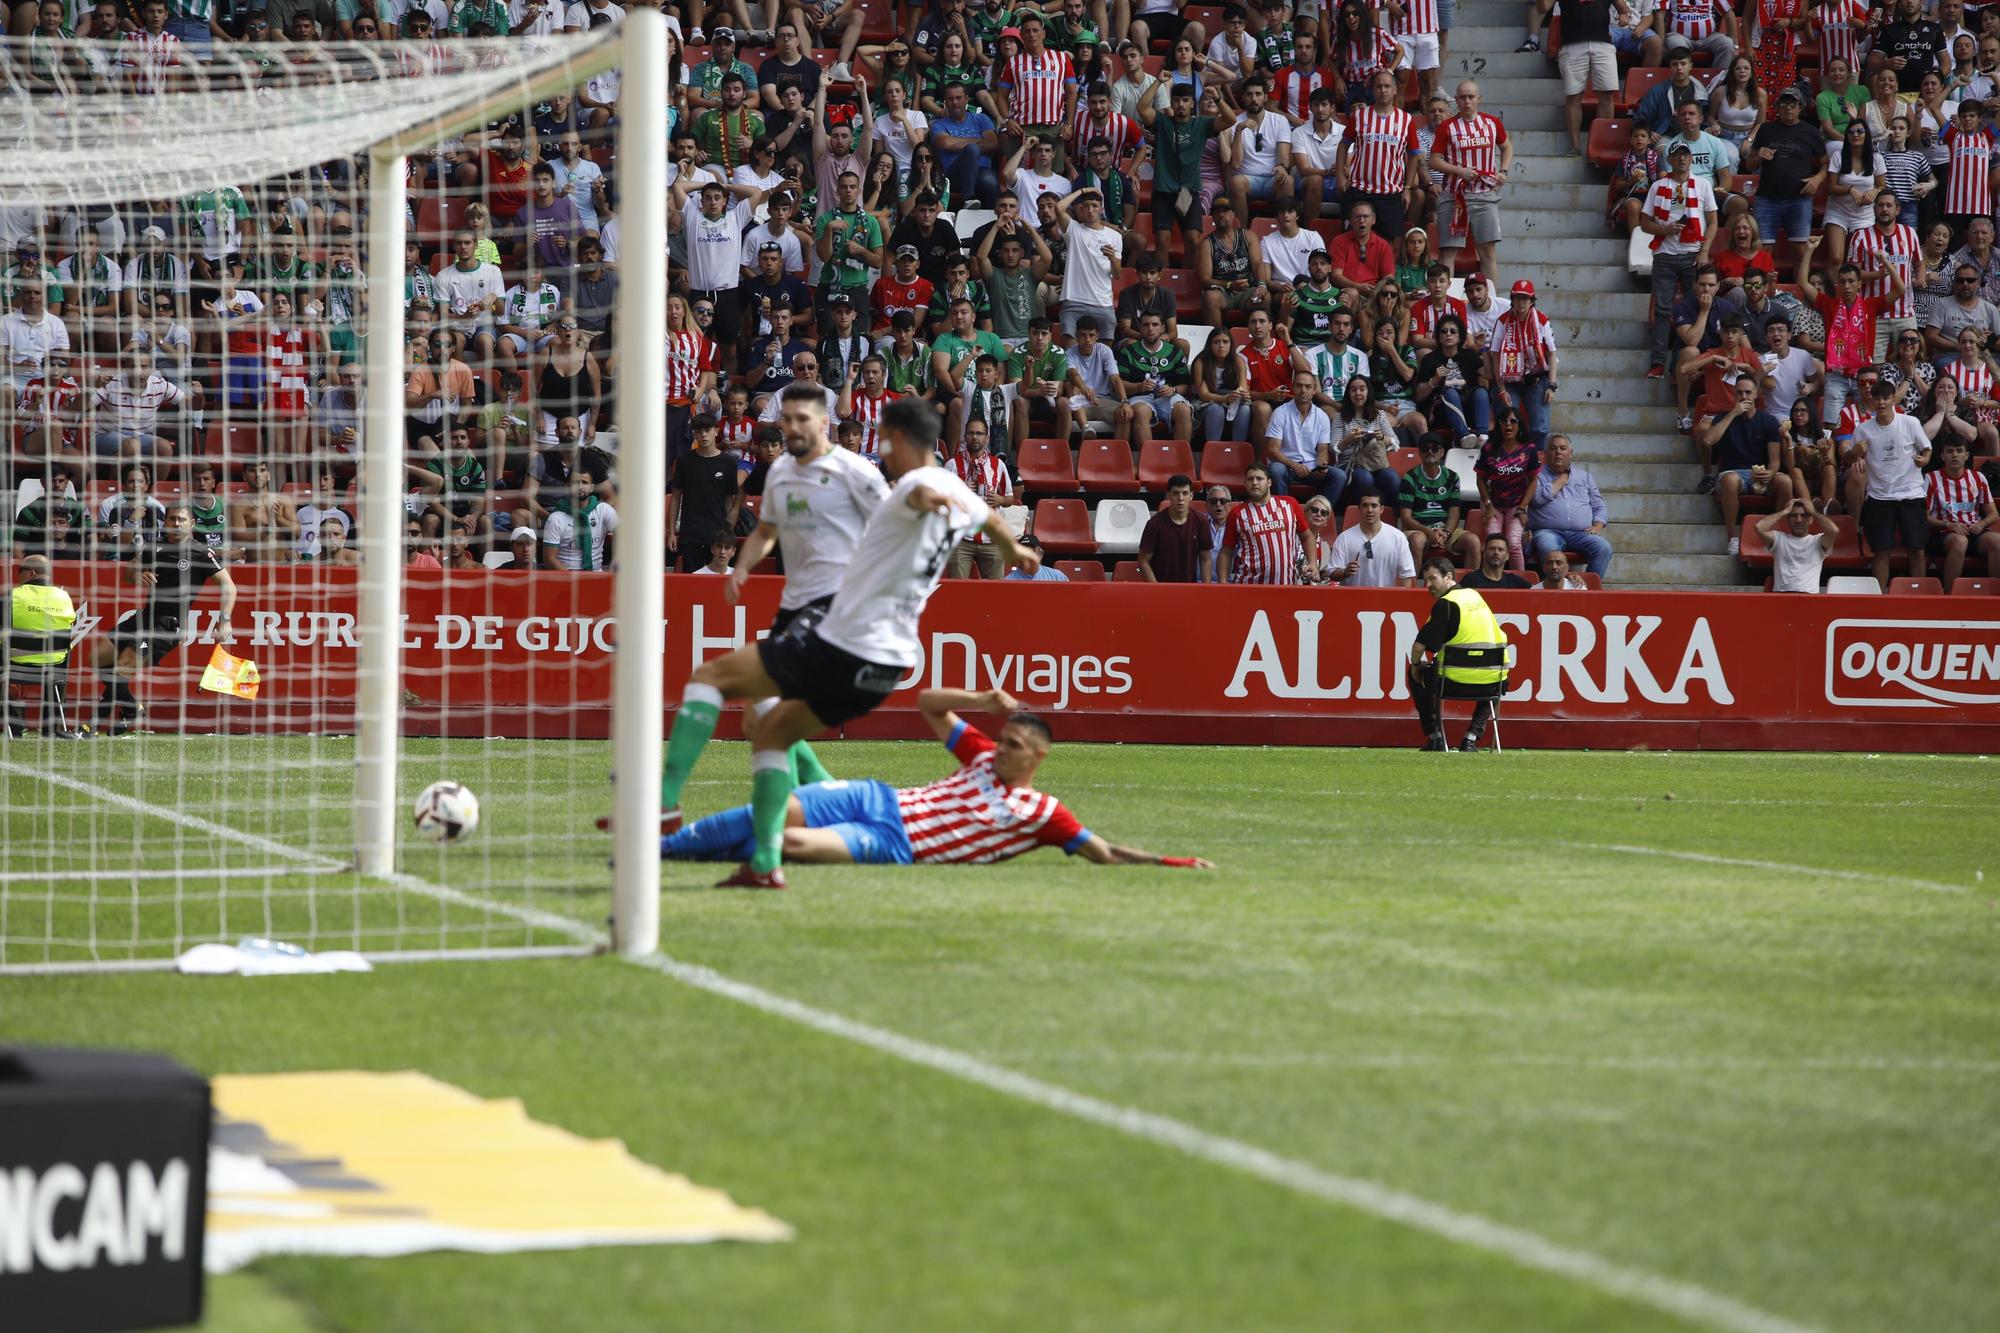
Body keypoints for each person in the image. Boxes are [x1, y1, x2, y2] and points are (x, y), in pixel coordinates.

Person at [664, 396, 1039, 888]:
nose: (880, 448)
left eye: (885, 439)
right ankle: (765, 865)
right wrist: (1013, 546)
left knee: (711, 679)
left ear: (900, 440)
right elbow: (986, 518)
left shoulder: (917, 484)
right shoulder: (956, 487)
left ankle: (664, 808)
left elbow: (919, 497)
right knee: (771, 731)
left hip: (845, 641)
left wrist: (928, 502)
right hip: (888, 665)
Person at [647, 381, 894, 837]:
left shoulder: (857, 474)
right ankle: (828, 801)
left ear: (825, 423)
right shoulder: (782, 474)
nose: (794, 427)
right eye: (787, 419)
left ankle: (663, 802)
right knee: (762, 715)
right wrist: (742, 565)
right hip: (795, 608)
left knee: (713, 680)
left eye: (803, 419)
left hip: (835, 609)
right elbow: (767, 531)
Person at [661, 689, 1210, 870]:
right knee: (776, 811)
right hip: (876, 796)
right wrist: (981, 702)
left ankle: (691, 849)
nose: (1002, 750)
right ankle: (665, 847)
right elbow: (928, 704)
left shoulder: (1044, 813)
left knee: (787, 839)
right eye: (1003, 739)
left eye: (1015, 747)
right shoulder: (980, 754)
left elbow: (1104, 852)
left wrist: (1173, 862)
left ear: (1037, 758)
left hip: (895, 842)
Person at [90, 503, 238, 735]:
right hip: (144, 617)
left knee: (123, 668)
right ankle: (131, 709)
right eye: (171, 520)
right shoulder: (154, 547)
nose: (176, 524)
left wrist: (225, 619)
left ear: (192, 524)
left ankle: (91, 727)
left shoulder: (200, 552)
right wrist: (139, 574)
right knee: (97, 659)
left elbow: (228, 586)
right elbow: (130, 570)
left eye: (181, 520)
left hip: (167, 626)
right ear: (165, 523)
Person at [1406, 555, 1510, 752]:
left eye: (1433, 579)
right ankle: (1471, 738)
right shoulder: (1475, 596)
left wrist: (1415, 663)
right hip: (1493, 680)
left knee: (1415, 673)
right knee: (1494, 683)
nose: (1427, 584)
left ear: (1448, 577)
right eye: (1425, 579)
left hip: (1453, 681)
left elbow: (1419, 647)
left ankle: (1435, 736)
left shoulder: (1446, 603)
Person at [1854, 376, 1935, 586]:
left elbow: (1927, 448)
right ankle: (1880, 599)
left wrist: (1923, 460)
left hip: (1911, 493)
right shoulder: (1863, 430)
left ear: (1893, 400)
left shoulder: (1910, 422)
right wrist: (1855, 453)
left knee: (1916, 549)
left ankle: (1919, 597)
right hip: (1879, 496)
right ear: (1871, 400)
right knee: (1881, 551)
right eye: (1877, 398)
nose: (1881, 402)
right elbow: (1848, 460)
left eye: (1886, 398)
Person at [1699, 376, 1790, 557]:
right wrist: (1733, 413)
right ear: (1734, 395)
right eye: (1739, 393)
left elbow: (1774, 460)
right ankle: (1733, 538)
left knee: (1785, 481)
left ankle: (1777, 535)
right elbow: (1708, 440)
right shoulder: (1723, 418)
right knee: (1731, 480)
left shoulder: (1768, 421)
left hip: (1760, 473)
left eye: (1748, 392)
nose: (1744, 396)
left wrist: (1770, 473)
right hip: (1732, 472)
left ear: (1756, 394)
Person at [4, 554, 79, 738]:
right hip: (54, 665)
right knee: (64, 657)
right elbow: (69, 631)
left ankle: (13, 726)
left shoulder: (12, 596)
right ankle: (51, 728)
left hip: (14, 665)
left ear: (31, 573)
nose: (18, 577)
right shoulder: (64, 597)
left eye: (19, 572)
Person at [1523, 433, 1612, 579]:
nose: (1558, 452)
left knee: (1604, 548)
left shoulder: (1585, 477)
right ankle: (1561, 588)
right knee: (1548, 548)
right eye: (1553, 448)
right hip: (1548, 532)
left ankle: (1587, 590)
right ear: (1545, 454)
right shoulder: (1536, 475)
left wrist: (1598, 525)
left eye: (1563, 448)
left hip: (1581, 533)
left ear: (1570, 453)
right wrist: (1562, 479)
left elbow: (1599, 506)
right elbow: (1537, 499)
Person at [669, 415, 744, 575]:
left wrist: (727, 531)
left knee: (717, 584)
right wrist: (671, 532)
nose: (703, 435)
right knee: (691, 586)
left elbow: (729, 500)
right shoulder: (684, 462)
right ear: (694, 434)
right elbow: (675, 497)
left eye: (708, 430)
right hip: (691, 534)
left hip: (717, 534)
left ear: (716, 431)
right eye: (698, 431)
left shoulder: (729, 463)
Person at [1485, 279, 1558, 442]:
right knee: (1507, 425)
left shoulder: (1542, 320)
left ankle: (1536, 462)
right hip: (1509, 381)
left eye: (1525, 298)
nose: (1521, 302)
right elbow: (1495, 354)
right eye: (1517, 298)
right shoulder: (1503, 321)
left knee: (1540, 428)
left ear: (1532, 301)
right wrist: (1501, 388)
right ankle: (1507, 461)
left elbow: (1551, 354)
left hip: (1537, 379)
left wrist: (1552, 385)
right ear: (1512, 300)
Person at [1924, 437, 2000, 589]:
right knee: (1960, 541)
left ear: (1966, 455)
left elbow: (1994, 514)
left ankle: (1994, 595)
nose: (1955, 455)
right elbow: (1923, 516)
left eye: (1959, 451)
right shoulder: (1931, 479)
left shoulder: (1978, 478)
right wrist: (1948, 524)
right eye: (1950, 451)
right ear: (1942, 456)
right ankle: (1949, 596)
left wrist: (1982, 523)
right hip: (1943, 533)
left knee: (1997, 541)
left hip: (1974, 531)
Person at [1398, 432, 1481, 568]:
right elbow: (1405, 518)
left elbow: (1454, 513)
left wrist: (1446, 532)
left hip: (1444, 530)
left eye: (1434, 448)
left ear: (1442, 452)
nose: (1430, 452)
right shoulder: (1410, 477)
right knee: (1417, 541)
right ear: (1420, 453)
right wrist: (1428, 532)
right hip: (1418, 530)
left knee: (1473, 541)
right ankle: (1411, 587)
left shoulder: (1452, 477)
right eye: (1425, 449)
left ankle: (1469, 588)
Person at [1220, 460, 1308, 584]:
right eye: (1250, 479)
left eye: (1259, 478)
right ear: (1245, 483)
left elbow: (1307, 536)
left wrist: (1313, 564)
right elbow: (1226, 551)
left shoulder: (1290, 504)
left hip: (1286, 586)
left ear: (1269, 482)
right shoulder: (1237, 513)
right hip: (1249, 587)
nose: (1254, 483)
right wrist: (1223, 582)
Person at [1323, 490, 1416, 587]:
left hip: (1385, 599)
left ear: (1382, 509)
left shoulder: (1398, 537)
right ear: (1359, 509)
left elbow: (1407, 575)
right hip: (1353, 599)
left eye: (1374, 505)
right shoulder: (1344, 538)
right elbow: (1331, 573)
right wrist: (1344, 572)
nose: (1369, 510)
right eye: (1365, 505)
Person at [1137, 474, 1211, 582]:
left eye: (1185, 493)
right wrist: (1156, 589)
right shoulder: (1154, 524)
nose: (1180, 498)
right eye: (1176, 493)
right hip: (1161, 587)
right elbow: (1143, 561)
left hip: (1189, 589)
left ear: (1191, 495)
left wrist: (1206, 588)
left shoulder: (1201, 522)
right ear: (1169, 495)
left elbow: (1206, 559)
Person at [541, 472, 619, 571]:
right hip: (566, 578)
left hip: (597, 576)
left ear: (591, 487)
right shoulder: (556, 518)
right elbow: (549, 559)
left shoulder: (603, 510)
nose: (580, 486)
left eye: (585, 482)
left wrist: (616, 561)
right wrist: (575, 581)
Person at [1758, 496, 1837, 592]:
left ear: (1811, 520)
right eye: (1794, 515)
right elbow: (1759, 527)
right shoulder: (1779, 539)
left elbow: (1834, 531)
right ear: (1788, 519)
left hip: (1809, 599)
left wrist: (1813, 512)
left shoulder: (1817, 541)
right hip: (1781, 598)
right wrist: (1784, 512)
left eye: (1804, 515)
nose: (1799, 520)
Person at [1460, 531, 1533, 589]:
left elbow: (1537, 592)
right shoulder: (1470, 580)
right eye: (1492, 549)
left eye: (1500, 549)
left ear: (1507, 556)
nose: (1496, 552)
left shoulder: (1514, 581)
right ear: (1484, 554)